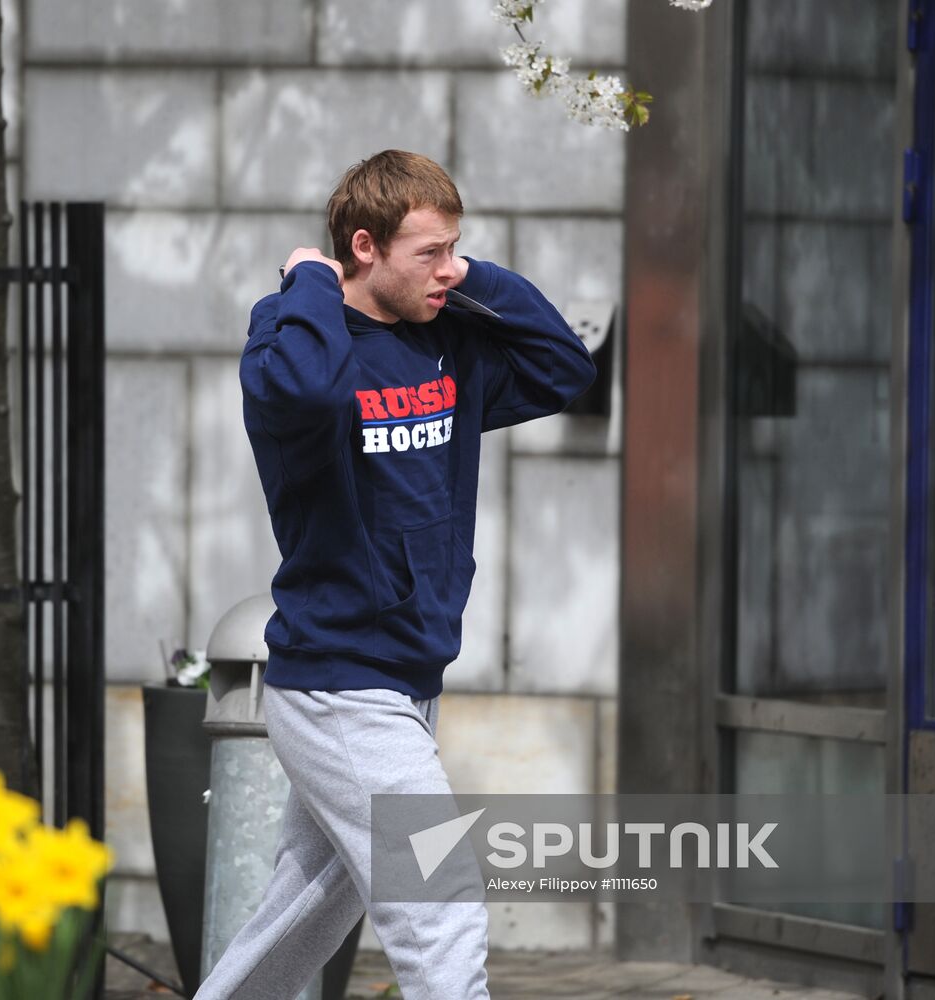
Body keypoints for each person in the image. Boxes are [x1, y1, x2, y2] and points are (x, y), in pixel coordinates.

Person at [194, 149, 596, 1000]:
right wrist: (307, 283)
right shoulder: (292, 349)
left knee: (304, 910)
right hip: (340, 682)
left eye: (457, 248)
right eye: (429, 253)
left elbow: (563, 367)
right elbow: (305, 394)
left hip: (405, 677)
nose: (449, 270)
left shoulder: (448, 343)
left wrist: (461, 270)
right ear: (365, 247)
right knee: (439, 900)